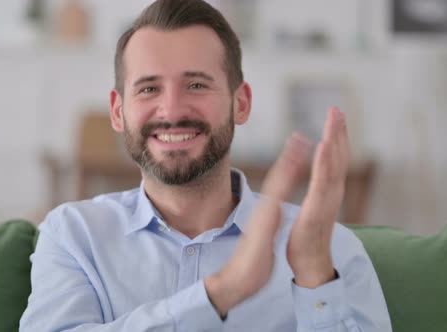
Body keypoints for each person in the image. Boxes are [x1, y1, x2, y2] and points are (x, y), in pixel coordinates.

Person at [20, 0, 392, 331]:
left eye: (196, 85)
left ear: (240, 103)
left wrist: (315, 278)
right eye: (149, 88)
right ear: (118, 111)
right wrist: (222, 291)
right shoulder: (73, 236)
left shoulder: (331, 248)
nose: (173, 110)